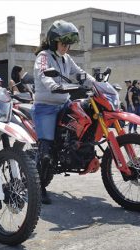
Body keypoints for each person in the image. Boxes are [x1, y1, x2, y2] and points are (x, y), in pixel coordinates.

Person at [33, 19, 96, 204]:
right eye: (63, 43)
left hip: (64, 103)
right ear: (54, 41)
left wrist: (98, 84)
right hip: (46, 107)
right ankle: (39, 187)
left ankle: (78, 151)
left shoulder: (66, 59)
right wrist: (53, 85)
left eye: (68, 44)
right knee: (46, 151)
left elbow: (80, 74)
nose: (66, 47)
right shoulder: (44, 56)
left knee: (87, 115)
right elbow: (43, 72)